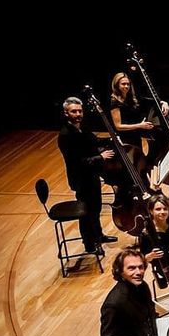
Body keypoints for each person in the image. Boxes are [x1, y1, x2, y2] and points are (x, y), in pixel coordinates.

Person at [57, 96, 115, 253]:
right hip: (81, 179)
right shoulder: (66, 135)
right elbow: (77, 161)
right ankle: (89, 244)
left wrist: (112, 139)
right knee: (86, 212)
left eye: (80, 111)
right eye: (74, 111)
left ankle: (99, 235)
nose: (78, 114)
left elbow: (94, 141)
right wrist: (100, 157)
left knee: (95, 208)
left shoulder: (81, 128)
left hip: (92, 175)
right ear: (66, 113)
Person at [100, 247, 163, 336]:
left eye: (141, 267)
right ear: (121, 272)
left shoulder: (142, 287)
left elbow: (150, 314)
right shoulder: (114, 303)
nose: (138, 272)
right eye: (132, 268)